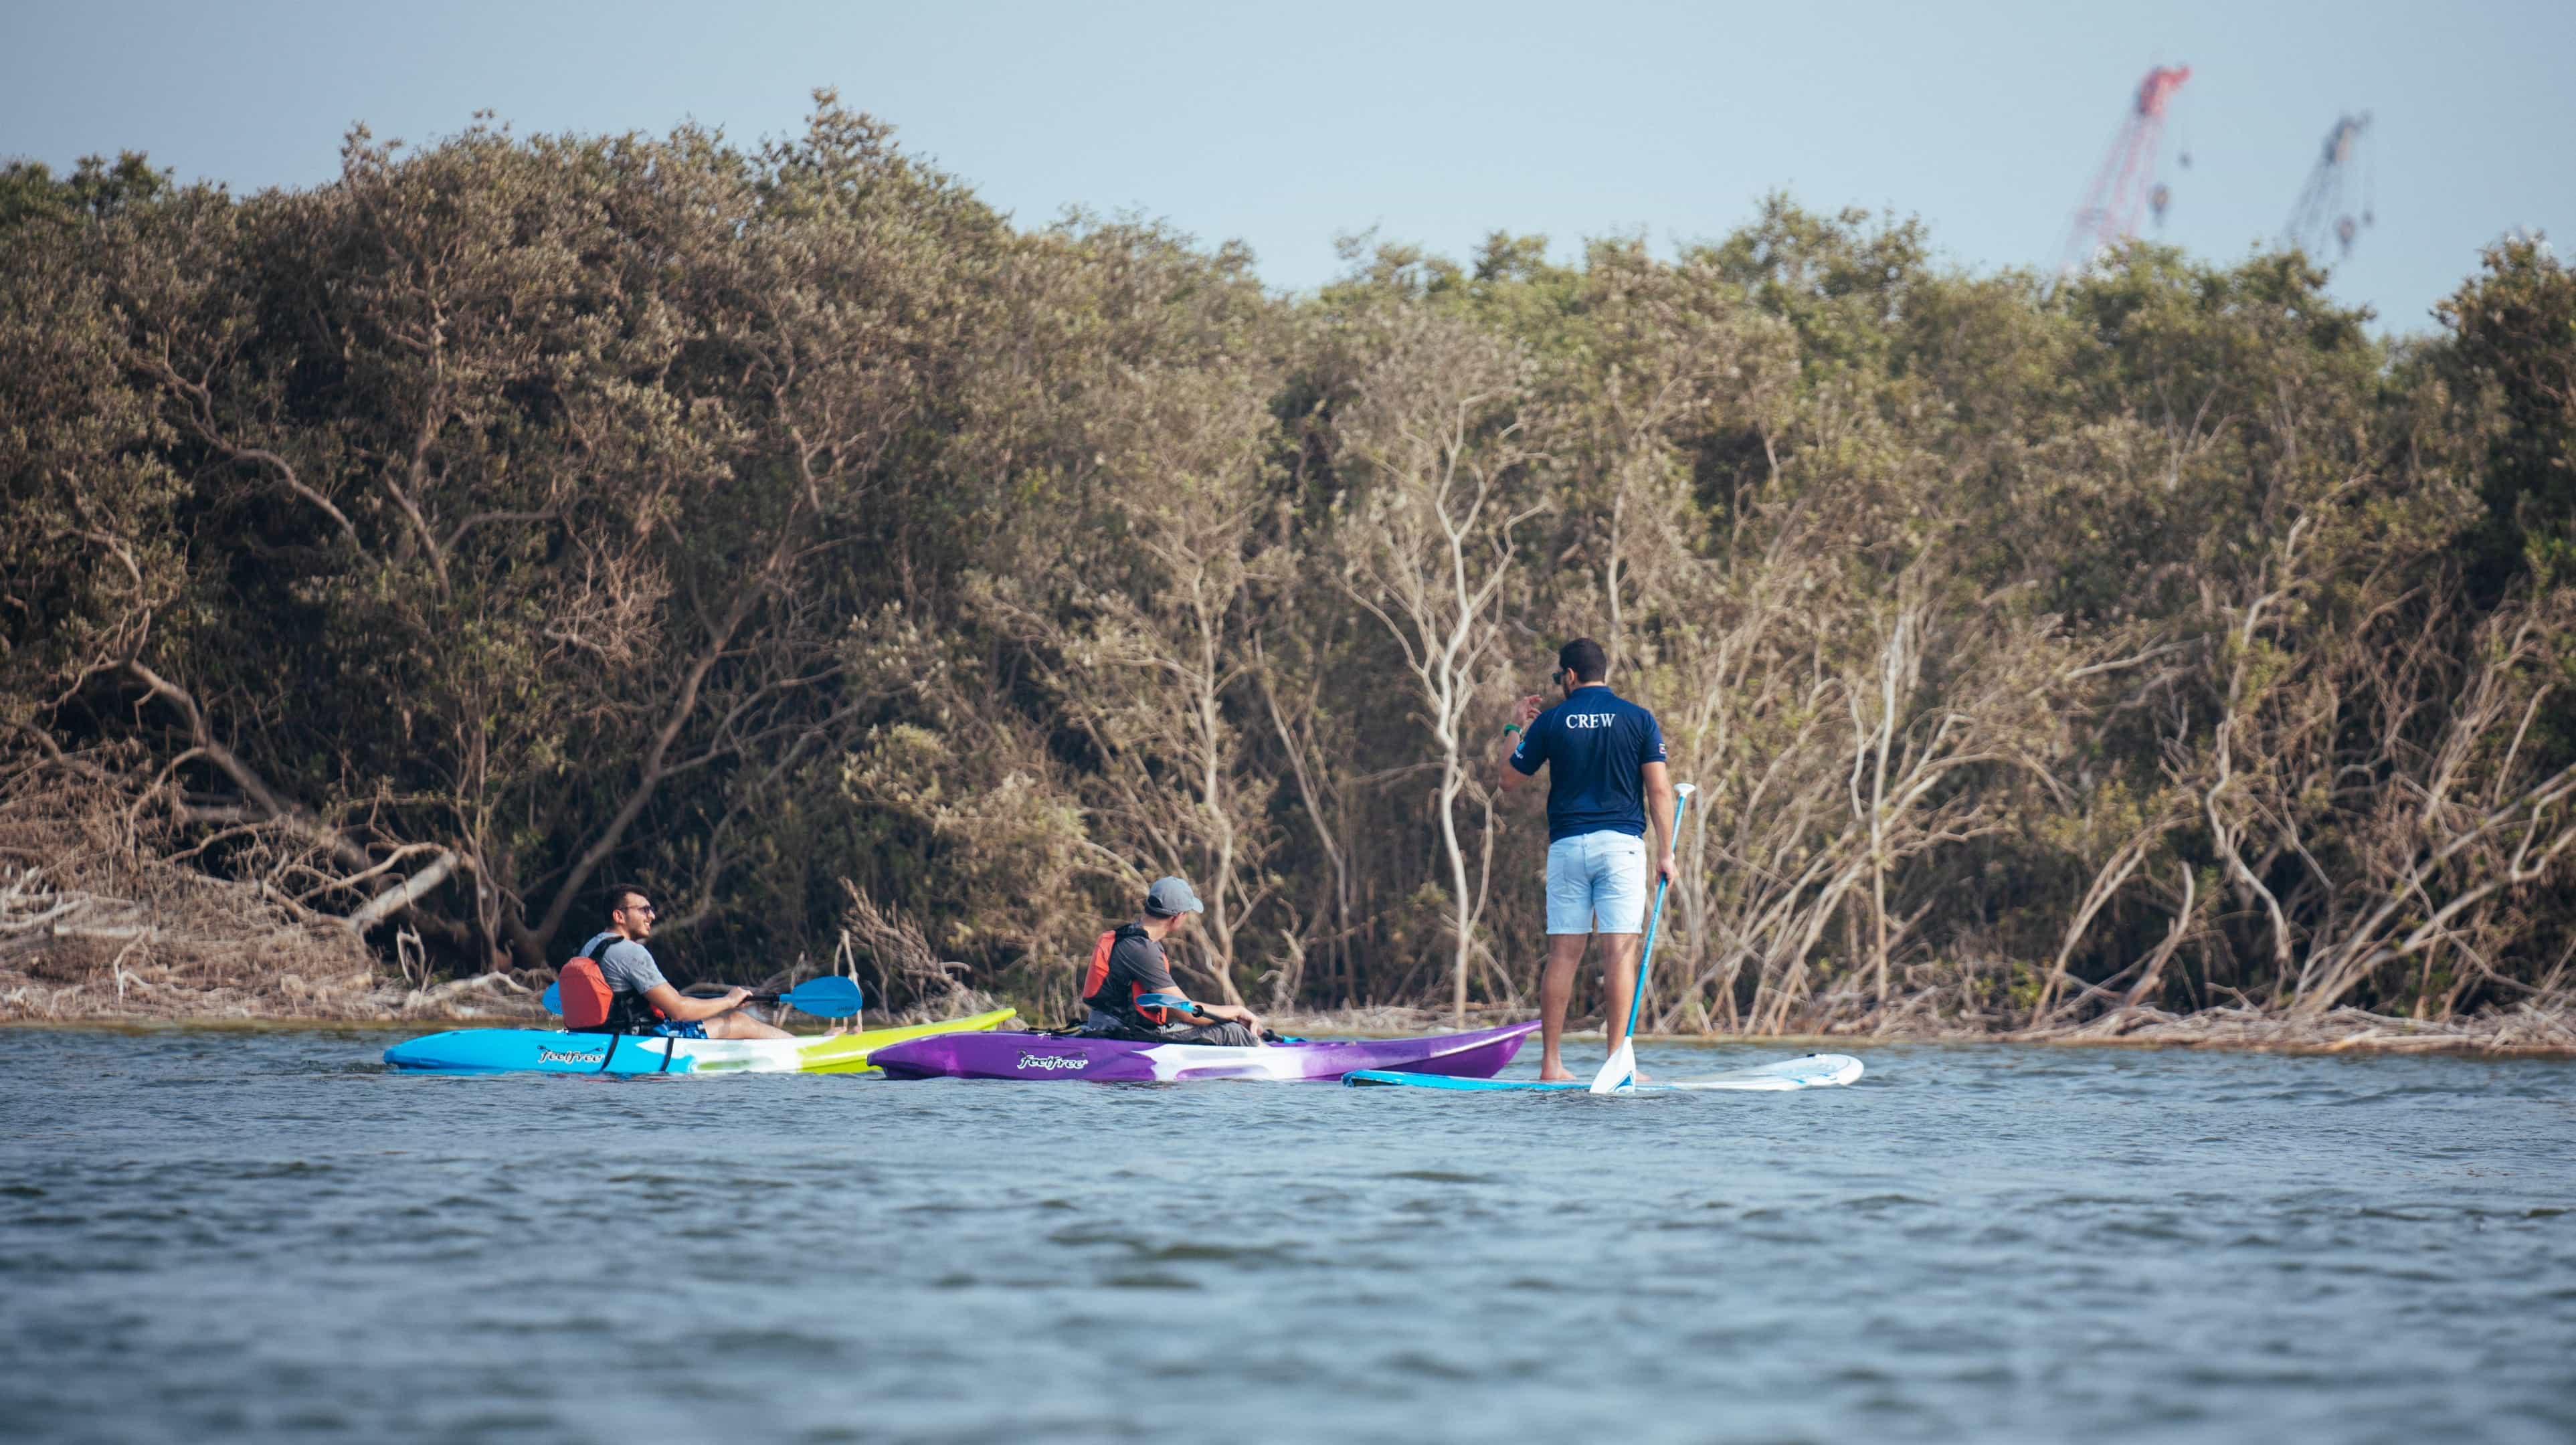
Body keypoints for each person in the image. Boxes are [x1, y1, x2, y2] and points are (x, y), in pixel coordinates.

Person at [1497, 638, 1676, 1081]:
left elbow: (1508, 780)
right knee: (1619, 954)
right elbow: (1658, 791)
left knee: (1563, 955)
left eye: (1560, 678)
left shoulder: (1553, 721)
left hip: (1568, 849)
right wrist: (1668, 853)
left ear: (1570, 676)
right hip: (1622, 849)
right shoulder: (1639, 719)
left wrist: (1513, 729)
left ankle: (1551, 1065)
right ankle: (1617, 1065)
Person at [574, 886, 791, 1040]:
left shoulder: (591, 947)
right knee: (739, 1021)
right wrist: (729, 1001)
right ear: (619, 916)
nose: (652, 916)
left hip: (602, 1036)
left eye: (651, 909)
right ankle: (811, 1048)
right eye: (644, 910)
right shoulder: (631, 952)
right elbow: (679, 1010)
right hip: (644, 1040)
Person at [1078, 876, 1267, 1045]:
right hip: (1122, 1034)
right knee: (1236, 1033)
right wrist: (1236, 1011)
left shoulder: (1130, 938)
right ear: (1177, 918)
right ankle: (1271, 1059)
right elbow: (1186, 1012)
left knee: (1230, 1026)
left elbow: (1170, 1010)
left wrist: (1224, 1017)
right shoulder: (1141, 950)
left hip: (1109, 1026)